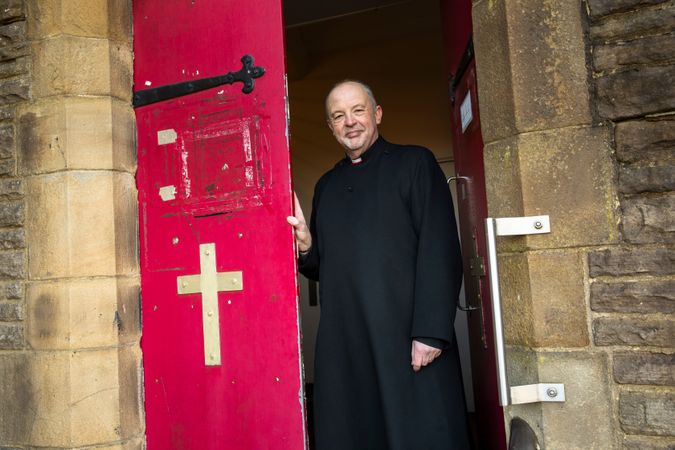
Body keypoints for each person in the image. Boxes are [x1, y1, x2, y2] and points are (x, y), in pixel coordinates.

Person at [287, 80, 470, 450]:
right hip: (348, 342)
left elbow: (441, 249)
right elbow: (325, 267)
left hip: (407, 337)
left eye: (358, 111)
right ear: (331, 127)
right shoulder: (326, 185)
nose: (350, 122)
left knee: (418, 434)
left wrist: (431, 333)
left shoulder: (415, 164)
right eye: (338, 116)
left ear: (377, 114)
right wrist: (307, 246)